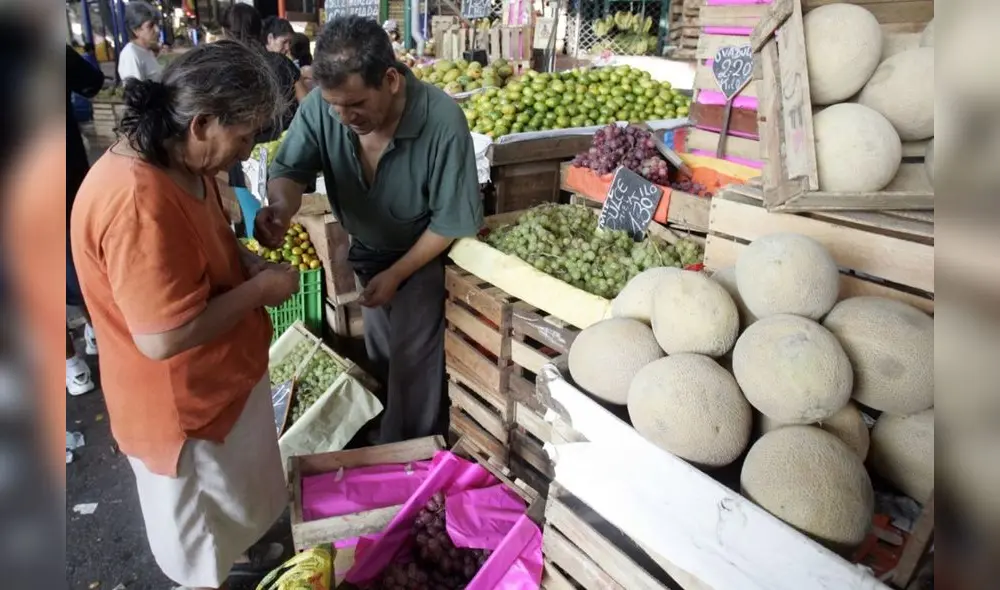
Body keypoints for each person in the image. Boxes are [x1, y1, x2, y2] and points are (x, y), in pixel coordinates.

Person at [70, 41, 300, 590]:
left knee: (236, 510)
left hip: (220, 384)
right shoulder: (136, 200)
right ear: (201, 123)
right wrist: (260, 290)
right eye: (242, 138)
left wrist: (247, 257)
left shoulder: (184, 164)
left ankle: (242, 557)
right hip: (181, 410)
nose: (243, 155)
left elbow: (208, 251)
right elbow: (162, 336)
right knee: (199, 544)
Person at [259, 16, 483, 444]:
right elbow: (291, 168)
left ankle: (409, 455)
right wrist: (282, 208)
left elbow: (451, 220)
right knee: (382, 353)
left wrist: (398, 273)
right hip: (366, 252)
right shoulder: (322, 110)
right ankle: (390, 431)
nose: (344, 116)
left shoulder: (442, 120)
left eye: (356, 104)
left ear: (391, 80)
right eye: (335, 105)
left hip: (423, 254)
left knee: (414, 359)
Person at [219, 3, 308, 237]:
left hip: (244, 157)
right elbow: (307, 103)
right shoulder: (280, 62)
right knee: (295, 229)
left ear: (226, 32)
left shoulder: (226, 69)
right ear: (262, 33)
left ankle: (260, 261)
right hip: (288, 154)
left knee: (254, 223)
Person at [66, 45, 105, 395]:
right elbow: (91, 82)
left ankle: (72, 365)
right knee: (78, 257)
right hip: (65, 172)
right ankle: (97, 335)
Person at [117, 0, 164, 82]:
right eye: (150, 26)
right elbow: (136, 92)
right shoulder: (131, 55)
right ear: (136, 30)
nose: (157, 30)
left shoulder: (146, 50)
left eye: (157, 24)